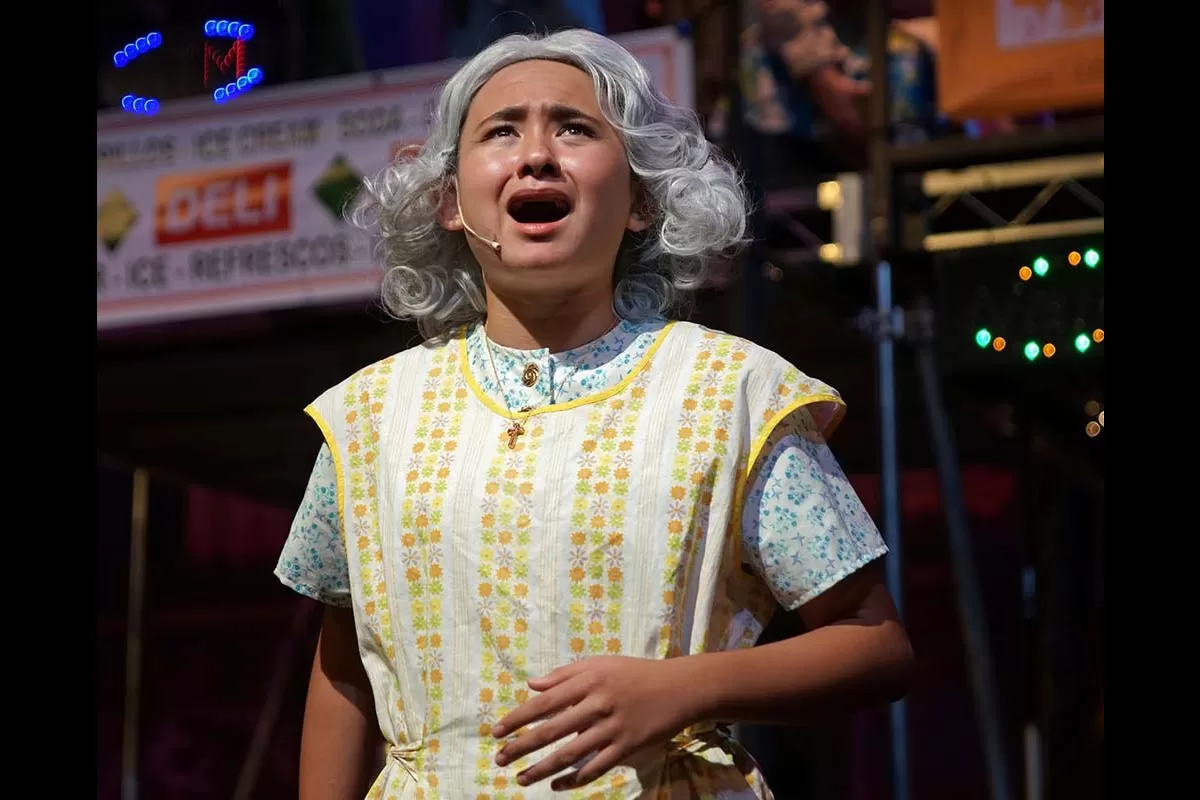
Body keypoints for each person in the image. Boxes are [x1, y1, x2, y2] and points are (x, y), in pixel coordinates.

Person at [274, 28, 913, 800]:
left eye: (575, 129)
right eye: (501, 131)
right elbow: (345, 667)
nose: (536, 155)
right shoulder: (366, 418)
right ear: (449, 203)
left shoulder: (737, 393)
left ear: (641, 200)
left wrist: (685, 689)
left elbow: (875, 646)